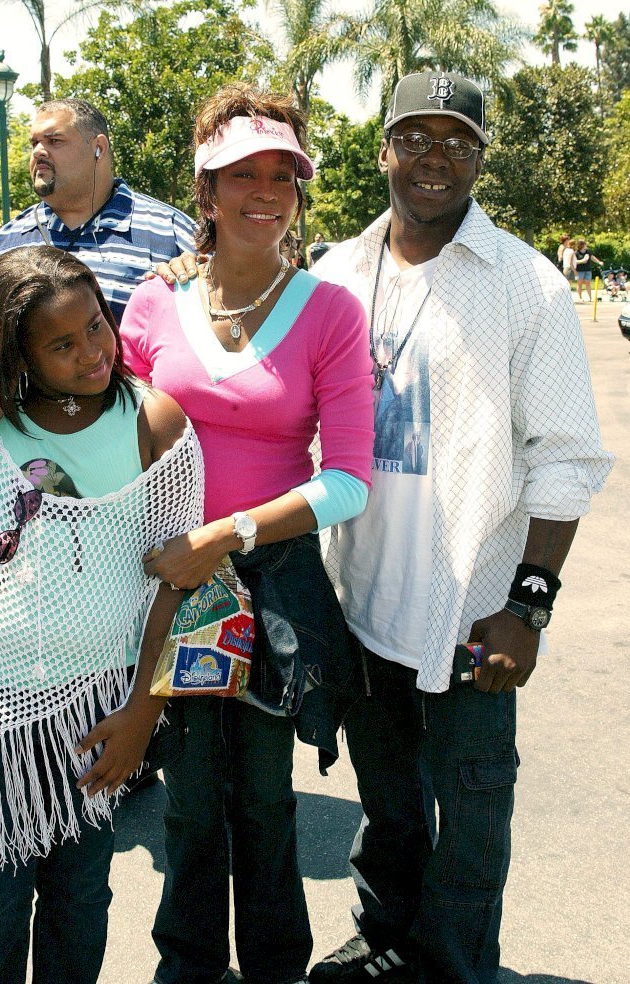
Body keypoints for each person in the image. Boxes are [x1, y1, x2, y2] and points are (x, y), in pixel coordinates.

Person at [160, 70, 614, 984]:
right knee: (390, 802)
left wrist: (529, 604)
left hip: (471, 608)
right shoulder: (336, 271)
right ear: (383, 152)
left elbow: (567, 456)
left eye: (457, 141)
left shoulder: (527, 286)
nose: (435, 157)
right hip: (359, 600)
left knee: (472, 813)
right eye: (415, 137)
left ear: (482, 158)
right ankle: (384, 940)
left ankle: (453, 965)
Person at [121, 82, 374, 984]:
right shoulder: (152, 308)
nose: (264, 192)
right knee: (188, 806)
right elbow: (113, 442)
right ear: (205, 190)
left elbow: (347, 483)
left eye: (283, 175)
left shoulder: (332, 312)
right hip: (168, 586)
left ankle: (274, 970)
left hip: (271, 586)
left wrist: (224, 535)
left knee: (266, 803)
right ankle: (186, 967)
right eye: (241, 175)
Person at [0, 245, 204, 984]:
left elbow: (174, 584)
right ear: (17, 355)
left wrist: (143, 713)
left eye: (96, 327)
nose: (91, 353)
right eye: (62, 345)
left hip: (99, 714)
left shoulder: (154, 423)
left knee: (79, 901)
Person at [0, 97, 196, 394]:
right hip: (19, 438)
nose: (39, 152)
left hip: (142, 435)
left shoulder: (173, 237)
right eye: (34, 144)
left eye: (55, 141)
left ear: (99, 148)